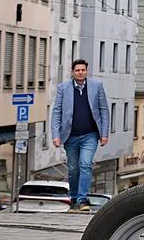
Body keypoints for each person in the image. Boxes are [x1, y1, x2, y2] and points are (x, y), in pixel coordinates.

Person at [51, 59, 110, 211]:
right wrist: (55, 134)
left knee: (85, 164)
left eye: (83, 70)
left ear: (86, 71)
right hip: (70, 136)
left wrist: (104, 133)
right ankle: (74, 198)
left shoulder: (97, 86)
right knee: (73, 169)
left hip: (90, 135)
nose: (80, 72)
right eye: (77, 70)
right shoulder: (63, 88)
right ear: (72, 72)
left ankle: (82, 200)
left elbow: (104, 110)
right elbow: (56, 111)